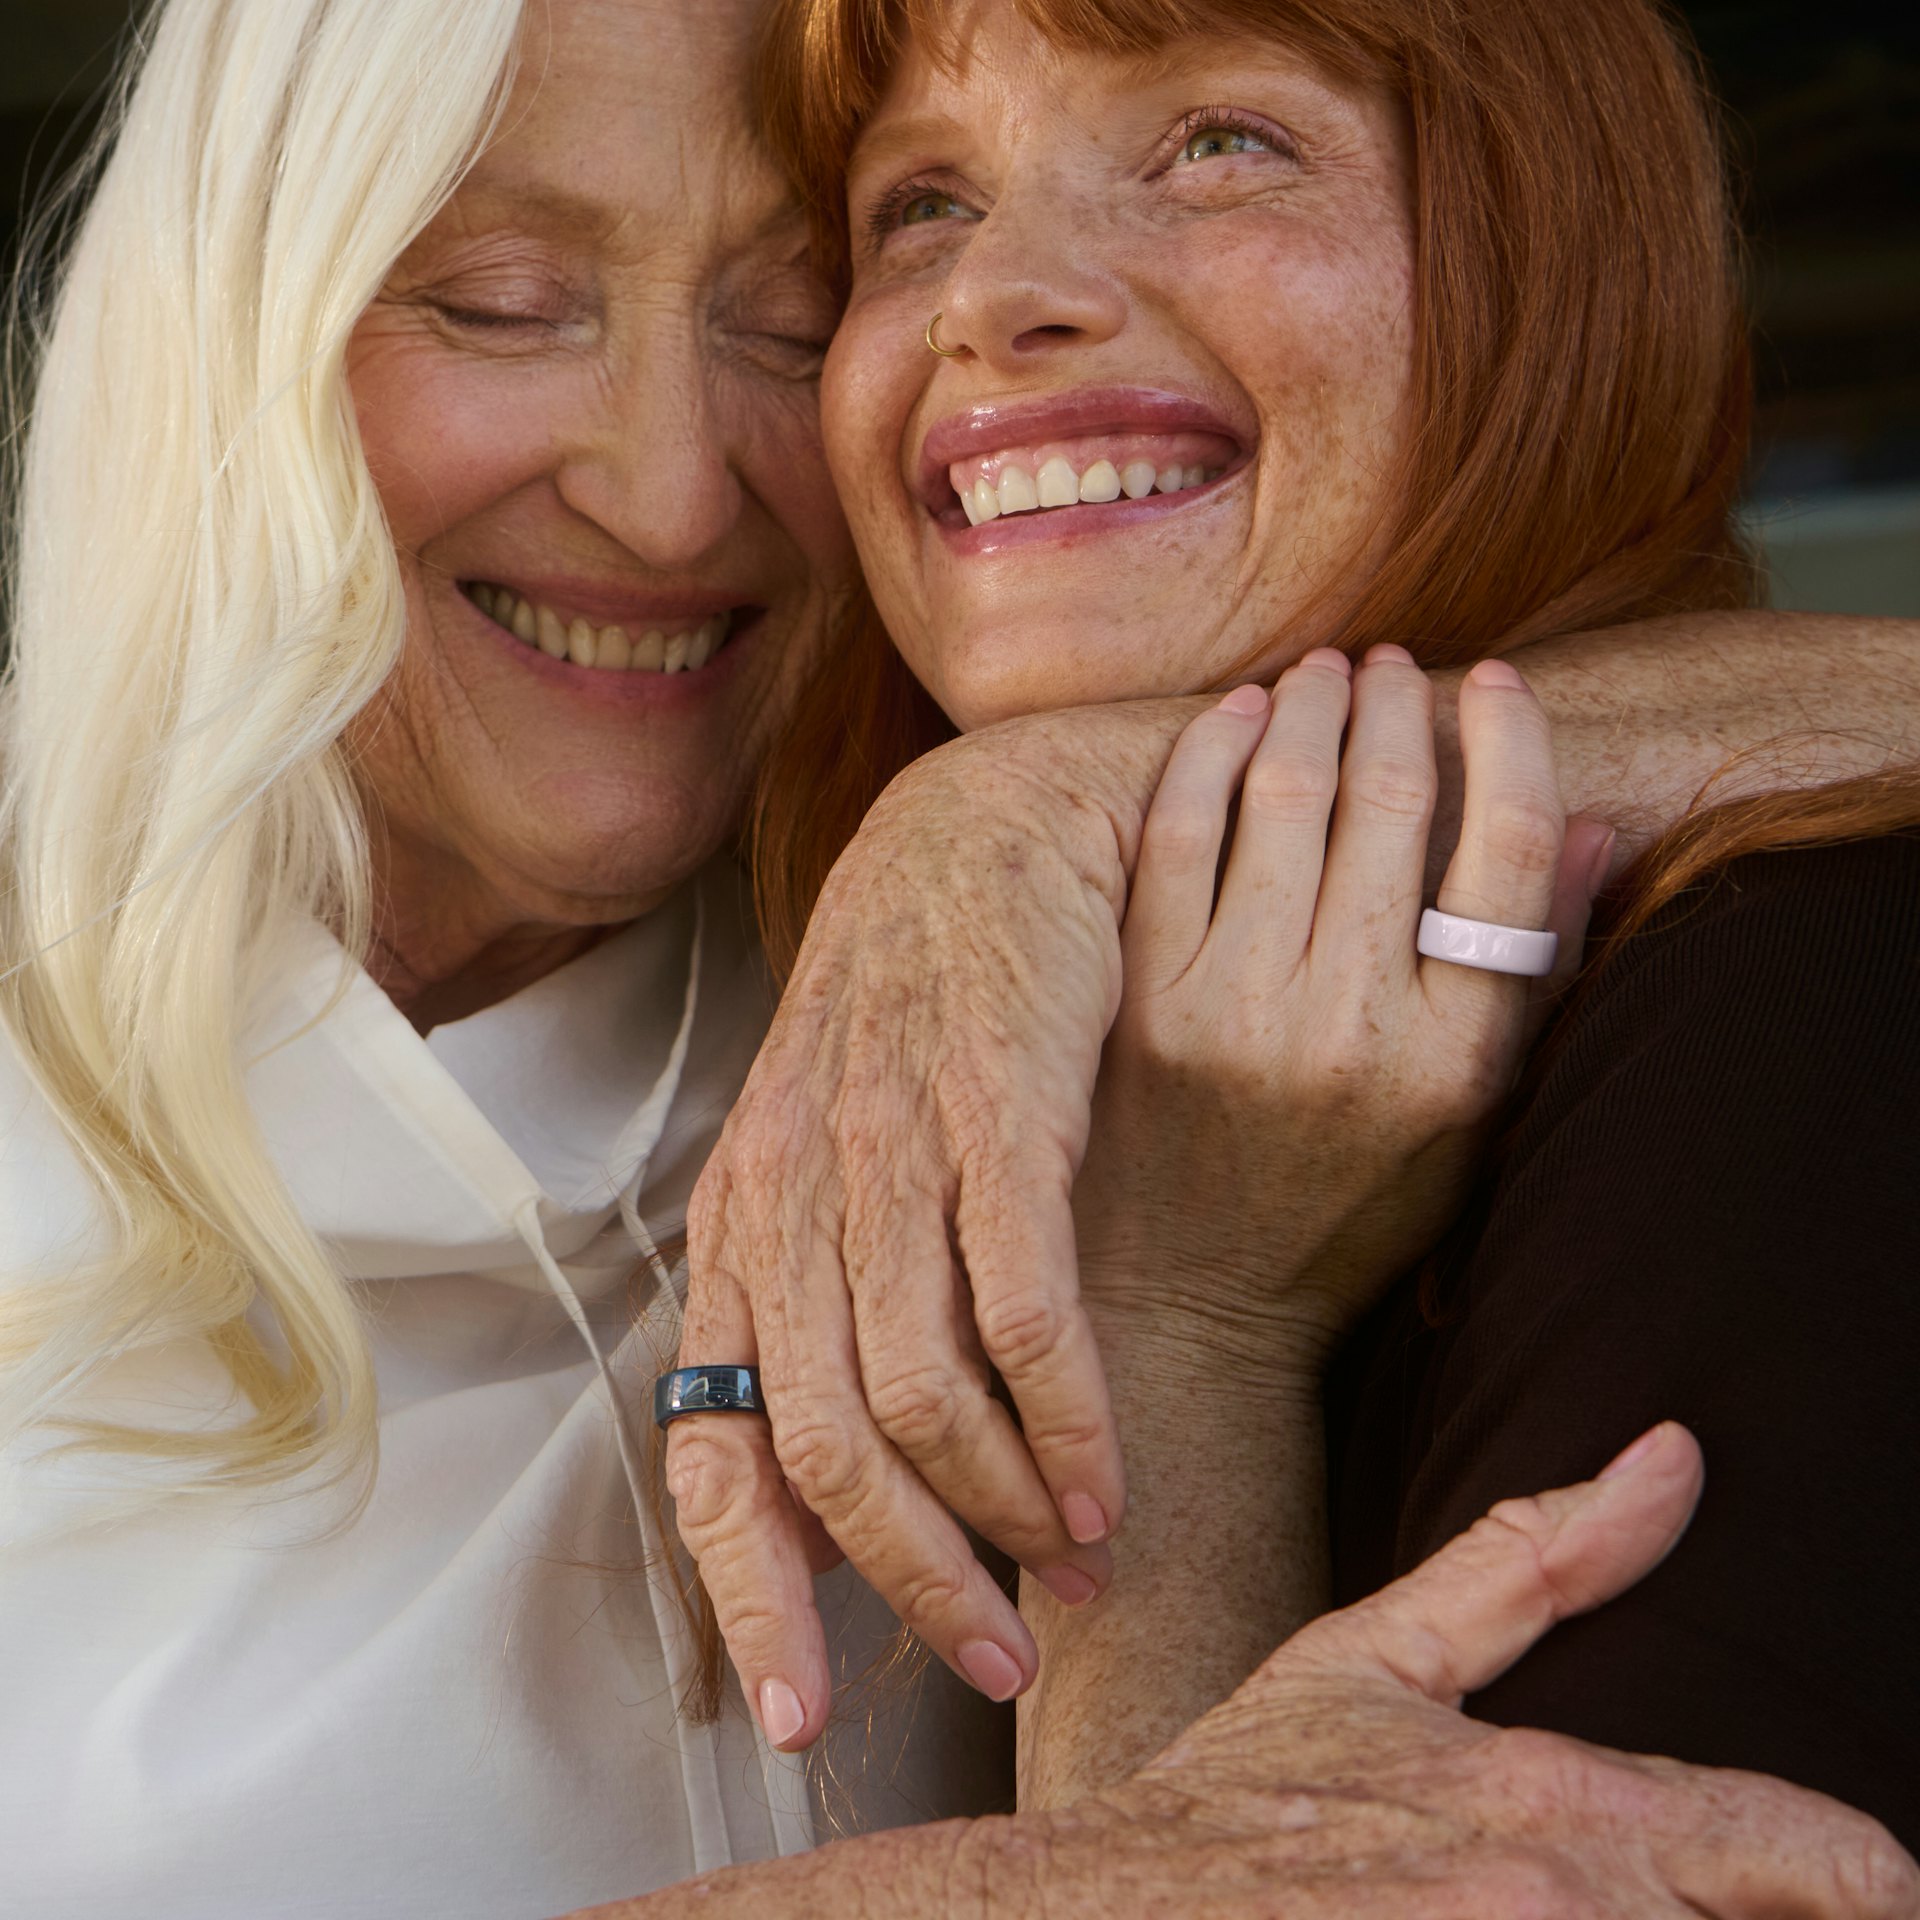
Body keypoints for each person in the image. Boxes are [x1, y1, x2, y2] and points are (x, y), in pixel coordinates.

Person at [0, 2, 1913, 1918]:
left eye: (787, 306)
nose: (668, 498)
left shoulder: (987, 986)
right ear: (198, 343)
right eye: (502, 302)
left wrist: (1047, 807)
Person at [668, 0, 1920, 1861]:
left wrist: (1177, 1336)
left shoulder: (1806, 1012)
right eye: (917, 203)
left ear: (1553, 261)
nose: (992, 296)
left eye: (1220, 143)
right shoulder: (920, 1048)